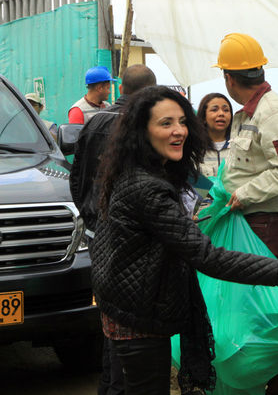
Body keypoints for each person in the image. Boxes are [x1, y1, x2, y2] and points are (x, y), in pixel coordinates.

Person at [90, 85, 278, 395]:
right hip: (138, 319)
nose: (179, 132)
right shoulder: (147, 188)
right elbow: (208, 257)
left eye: (183, 122)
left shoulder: (135, 174)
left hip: (127, 309)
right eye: (165, 124)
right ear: (141, 132)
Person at [214, 33, 278, 395]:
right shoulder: (246, 115)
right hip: (249, 223)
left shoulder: (274, 112)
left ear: (228, 78)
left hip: (267, 224)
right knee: (251, 310)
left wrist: (242, 194)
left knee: (271, 313)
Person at [70, 64, 157, 395]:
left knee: (109, 314)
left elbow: (76, 180)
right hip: (133, 239)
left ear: (121, 89)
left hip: (99, 233)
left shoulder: (95, 123)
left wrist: (91, 218)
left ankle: (109, 386)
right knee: (129, 321)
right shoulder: (145, 126)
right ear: (150, 91)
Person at [196, 93, 233, 178]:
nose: (221, 114)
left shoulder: (238, 147)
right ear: (204, 117)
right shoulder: (195, 149)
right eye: (214, 110)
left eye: (226, 110)